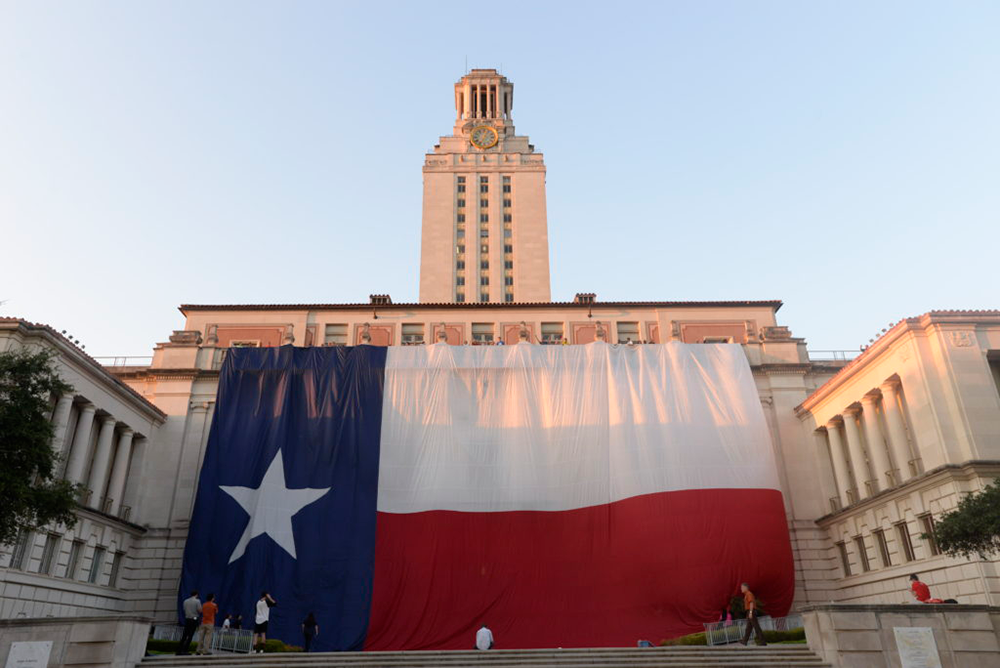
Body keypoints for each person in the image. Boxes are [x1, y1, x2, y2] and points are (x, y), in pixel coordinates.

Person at [176, 590, 201, 655]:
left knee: (184, 635)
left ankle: (179, 650)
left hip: (187, 619)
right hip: (194, 619)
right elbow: (199, 610)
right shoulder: (197, 601)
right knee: (190, 635)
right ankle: (185, 650)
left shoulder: (185, 601)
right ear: (196, 594)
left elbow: (184, 609)